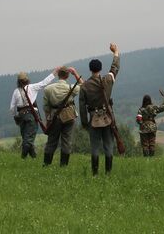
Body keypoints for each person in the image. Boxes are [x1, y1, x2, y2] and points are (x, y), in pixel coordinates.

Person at [79, 43, 120, 175]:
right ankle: (108, 173)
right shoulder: (107, 80)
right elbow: (114, 68)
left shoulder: (84, 86)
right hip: (108, 118)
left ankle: (95, 174)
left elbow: (82, 107)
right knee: (108, 146)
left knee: (95, 148)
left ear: (90, 69)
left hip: (94, 120)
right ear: (100, 69)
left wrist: (85, 123)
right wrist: (115, 53)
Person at [10, 68, 59, 159]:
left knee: (26, 137)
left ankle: (34, 158)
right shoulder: (32, 87)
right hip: (31, 115)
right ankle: (23, 158)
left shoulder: (16, 91)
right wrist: (54, 73)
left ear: (18, 81)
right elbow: (44, 82)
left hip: (20, 116)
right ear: (27, 80)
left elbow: (12, 108)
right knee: (29, 139)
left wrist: (15, 117)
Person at [42, 67, 82, 166]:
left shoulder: (48, 89)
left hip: (54, 117)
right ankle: (63, 166)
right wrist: (75, 73)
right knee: (67, 141)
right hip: (69, 115)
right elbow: (84, 85)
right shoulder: (71, 88)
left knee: (51, 141)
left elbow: (46, 107)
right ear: (67, 76)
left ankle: (47, 164)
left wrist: (48, 119)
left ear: (58, 75)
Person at [136, 90, 164, 157]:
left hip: (144, 128)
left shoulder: (141, 109)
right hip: (152, 127)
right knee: (152, 143)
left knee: (145, 144)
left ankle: (146, 159)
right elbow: (163, 107)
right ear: (150, 100)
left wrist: (141, 124)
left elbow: (138, 119)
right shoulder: (154, 108)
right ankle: (151, 158)